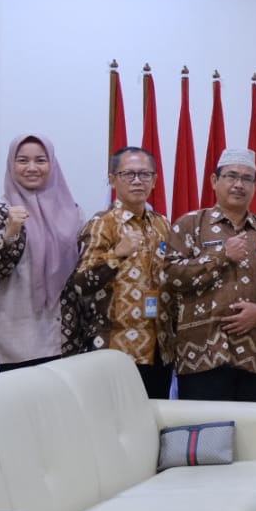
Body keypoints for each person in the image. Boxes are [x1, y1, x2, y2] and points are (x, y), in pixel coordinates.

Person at [165, 147, 256, 403]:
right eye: (231, 176)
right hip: (202, 355)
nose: (239, 184)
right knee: (207, 427)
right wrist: (220, 257)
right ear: (214, 181)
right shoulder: (189, 225)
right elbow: (171, 275)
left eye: (247, 178)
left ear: (255, 186)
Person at [60, 147, 177, 398]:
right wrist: (117, 254)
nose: (137, 181)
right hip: (116, 349)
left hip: (160, 348)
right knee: (117, 419)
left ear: (155, 180)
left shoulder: (162, 224)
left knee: (156, 416)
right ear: (113, 180)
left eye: (144, 174)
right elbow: (80, 283)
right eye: (128, 174)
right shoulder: (102, 224)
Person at [0, 134, 83, 371]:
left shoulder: (73, 212)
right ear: (11, 164)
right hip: (18, 336)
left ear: (52, 164)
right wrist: (10, 233)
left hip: (65, 336)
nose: (32, 168)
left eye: (40, 160)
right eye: (23, 160)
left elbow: (82, 271)